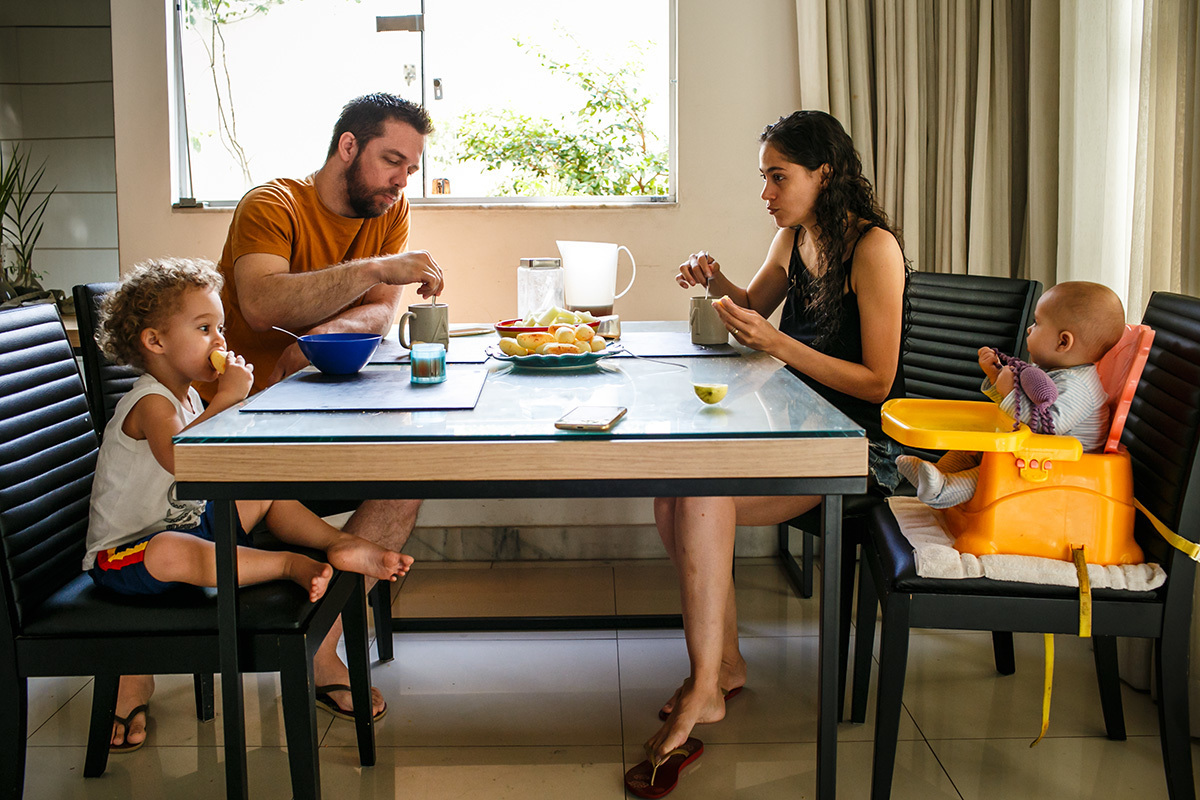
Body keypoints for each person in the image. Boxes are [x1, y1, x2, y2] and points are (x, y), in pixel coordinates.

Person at [110, 92, 440, 751]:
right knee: (185, 517)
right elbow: (259, 304)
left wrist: (313, 345)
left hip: (313, 421)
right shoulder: (273, 205)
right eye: (391, 161)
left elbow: (378, 316)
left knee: (408, 472)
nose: (402, 179)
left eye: (411, 166)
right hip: (233, 433)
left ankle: (323, 643)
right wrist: (375, 268)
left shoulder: (388, 208)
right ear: (348, 147)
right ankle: (132, 660)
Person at [635, 110, 909, 786]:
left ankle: (707, 687)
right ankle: (723, 667)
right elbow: (754, 304)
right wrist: (715, 281)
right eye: (764, 177)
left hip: (853, 449)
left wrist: (778, 343)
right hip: (800, 430)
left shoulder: (874, 250)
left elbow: (878, 382)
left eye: (777, 177)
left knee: (700, 497)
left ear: (825, 173)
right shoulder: (794, 237)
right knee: (672, 497)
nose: (767, 193)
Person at [88, 258, 414, 751]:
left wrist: (231, 406)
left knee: (260, 489)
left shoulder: (187, 398)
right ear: (155, 341)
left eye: (219, 327)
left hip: (187, 525)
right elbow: (185, 462)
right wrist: (226, 400)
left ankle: (341, 542)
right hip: (129, 554)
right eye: (203, 328)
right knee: (168, 550)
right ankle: (289, 563)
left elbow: (220, 467)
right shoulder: (150, 403)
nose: (219, 340)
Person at [897, 281, 1126, 508]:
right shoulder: (1051, 372)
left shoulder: (1078, 386)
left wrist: (1008, 393)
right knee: (973, 448)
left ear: (1063, 341)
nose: (1029, 328)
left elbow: (1047, 426)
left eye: (1037, 323)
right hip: (1036, 455)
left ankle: (944, 491)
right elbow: (1017, 413)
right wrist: (998, 380)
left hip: (1059, 469)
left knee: (998, 467)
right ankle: (935, 474)